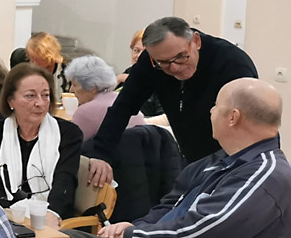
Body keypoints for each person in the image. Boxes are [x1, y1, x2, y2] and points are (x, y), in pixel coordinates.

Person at [26, 79, 291, 238]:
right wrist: (135, 228)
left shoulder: (266, 176)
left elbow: (199, 234)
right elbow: (169, 206)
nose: (210, 112)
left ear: (233, 117)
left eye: (216, 106)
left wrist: (132, 235)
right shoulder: (222, 161)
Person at [87, 19, 258, 186]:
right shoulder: (151, 61)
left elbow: (248, 124)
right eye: (163, 63)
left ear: (196, 41)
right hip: (190, 158)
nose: (174, 67)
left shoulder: (232, 63)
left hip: (235, 161)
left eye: (180, 57)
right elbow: (123, 106)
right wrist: (100, 153)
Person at [0, 63, 84, 220]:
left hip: (51, 216)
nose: (40, 103)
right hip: (2, 216)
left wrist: (51, 216)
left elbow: (65, 182)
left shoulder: (68, 134)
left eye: (45, 95)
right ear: (10, 101)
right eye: (30, 96)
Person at [65, 55, 143, 142]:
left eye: (75, 85)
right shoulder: (125, 101)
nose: (71, 90)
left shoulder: (84, 112)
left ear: (93, 87)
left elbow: (73, 145)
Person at [119, 28, 164, 117]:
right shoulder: (126, 73)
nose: (139, 56)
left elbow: (164, 117)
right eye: (136, 50)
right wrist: (116, 80)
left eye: (145, 52)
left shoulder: (162, 78)